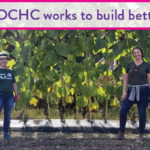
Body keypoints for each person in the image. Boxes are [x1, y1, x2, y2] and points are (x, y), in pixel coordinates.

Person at [114, 47, 150, 141]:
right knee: (123, 110)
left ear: (141, 53)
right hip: (130, 91)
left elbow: (149, 80)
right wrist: (124, 92)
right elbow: (125, 79)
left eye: (138, 52)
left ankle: (141, 135)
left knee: (142, 113)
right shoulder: (129, 64)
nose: (136, 54)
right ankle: (121, 133)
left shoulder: (147, 66)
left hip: (143, 91)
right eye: (134, 53)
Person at [0, 51, 18, 139]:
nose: (4, 61)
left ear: (7, 61)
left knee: (7, 116)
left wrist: (16, 94)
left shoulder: (10, 71)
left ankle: (6, 133)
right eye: (2, 59)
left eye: (5, 59)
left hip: (9, 97)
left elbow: (13, 83)